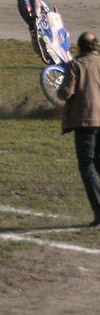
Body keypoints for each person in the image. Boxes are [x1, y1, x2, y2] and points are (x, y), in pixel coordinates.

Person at [57, 32, 100, 227]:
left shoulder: (76, 65)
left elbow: (66, 92)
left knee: (87, 166)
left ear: (80, 47)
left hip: (86, 121)